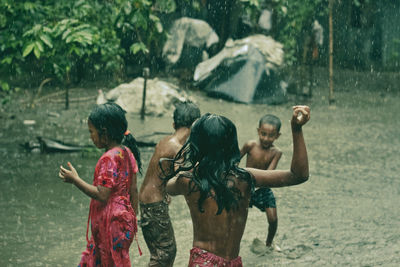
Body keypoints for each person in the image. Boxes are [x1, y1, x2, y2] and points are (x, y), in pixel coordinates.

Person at [164, 105, 310, 267]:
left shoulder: (188, 181)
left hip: (203, 262)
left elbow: (167, 186)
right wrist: (296, 130)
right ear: (231, 145)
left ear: (197, 146)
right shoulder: (244, 179)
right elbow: (299, 175)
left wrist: (187, 163)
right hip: (233, 262)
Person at [58, 102, 142, 267]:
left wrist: (75, 180)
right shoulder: (127, 152)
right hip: (124, 220)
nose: (91, 136)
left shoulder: (109, 158)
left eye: (92, 132)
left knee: (106, 260)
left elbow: (102, 194)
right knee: (112, 259)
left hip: (109, 223)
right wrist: (133, 219)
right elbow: (134, 190)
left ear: (104, 133)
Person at [139, 101, 201, 267]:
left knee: (160, 253)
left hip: (148, 200)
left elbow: (161, 174)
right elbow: (184, 175)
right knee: (165, 254)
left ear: (174, 124)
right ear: (196, 125)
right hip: (154, 204)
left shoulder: (165, 140)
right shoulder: (178, 148)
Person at [240, 114, 282, 251]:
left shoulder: (276, 152)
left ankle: (269, 244)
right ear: (258, 131)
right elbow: (234, 160)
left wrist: (258, 183)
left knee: (273, 219)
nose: (266, 138)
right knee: (237, 217)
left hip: (263, 188)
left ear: (277, 136)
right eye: (263, 134)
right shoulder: (250, 145)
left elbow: (269, 174)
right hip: (246, 187)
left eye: (271, 135)